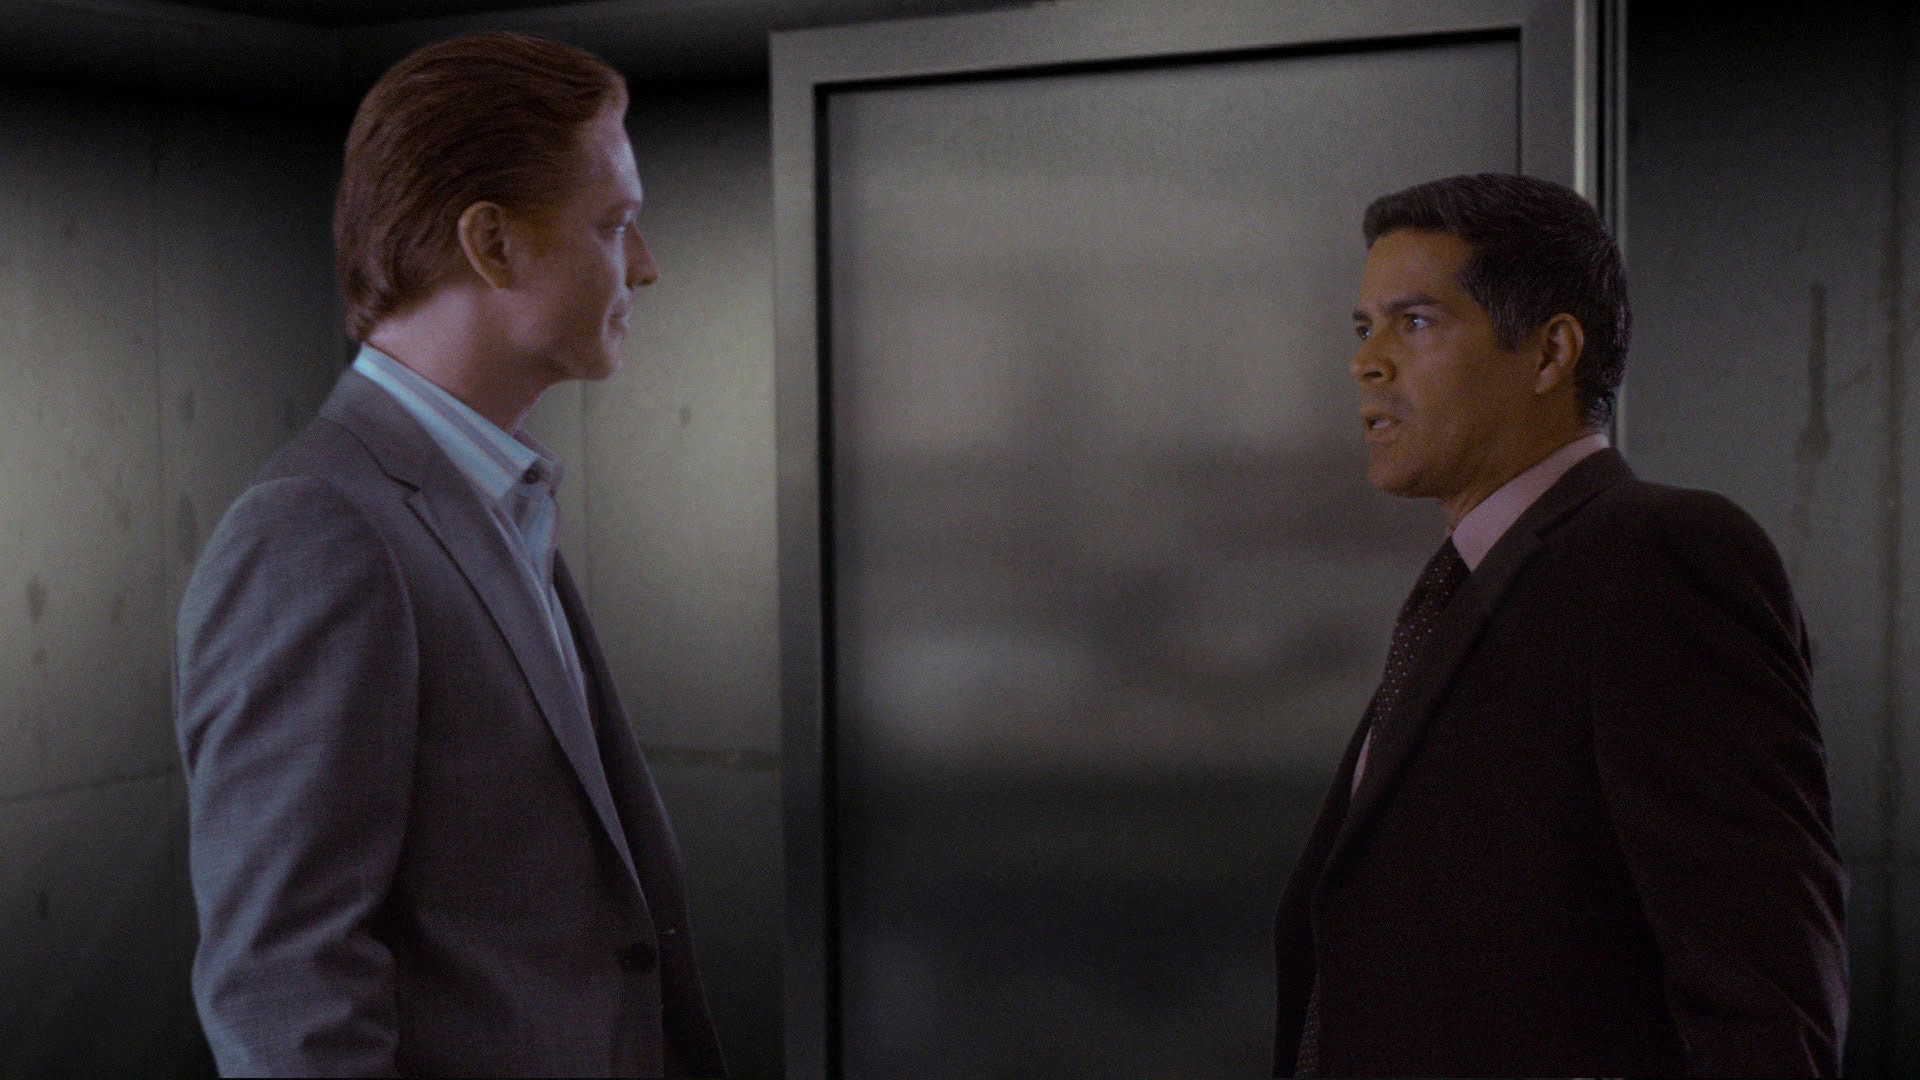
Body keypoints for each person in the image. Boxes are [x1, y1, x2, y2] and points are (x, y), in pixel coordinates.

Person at [174, 31, 725, 1077]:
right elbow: (283, 985)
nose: (646, 267)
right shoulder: (318, 530)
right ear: (493, 244)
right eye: (614, 225)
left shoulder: (490, 496)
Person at [1273, 173, 1848, 1077]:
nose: (1367, 363)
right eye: (1363, 328)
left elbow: (1762, 982)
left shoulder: (1657, 552)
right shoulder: (1470, 578)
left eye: (1414, 322)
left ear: (1549, 355)